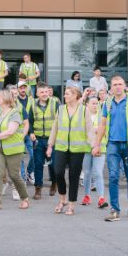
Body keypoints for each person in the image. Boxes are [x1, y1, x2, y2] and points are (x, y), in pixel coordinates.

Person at [92, 75, 128, 222]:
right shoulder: (107, 102)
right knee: (113, 176)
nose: (118, 87)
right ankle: (114, 210)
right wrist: (97, 144)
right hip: (112, 144)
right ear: (111, 87)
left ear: (125, 86)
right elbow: (102, 125)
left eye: (120, 84)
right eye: (115, 84)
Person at [47, 87, 94, 216]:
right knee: (58, 172)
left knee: (74, 176)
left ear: (75, 95)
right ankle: (62, 199)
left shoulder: (84, 110)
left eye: (67, 94)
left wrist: (94, 146)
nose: (64, 96)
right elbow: (55, 128)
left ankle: (71, 204)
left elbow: (89, 129)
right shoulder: (61, 109)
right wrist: (50, 145)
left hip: (78, 148)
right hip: (61, 147)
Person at [0, 89, 30, 210]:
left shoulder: (15, 113)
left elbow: (11, 131)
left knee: (14, 175)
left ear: (6, 99)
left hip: (13, 149)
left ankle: (24, 198)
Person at [31, 82, 58, 199]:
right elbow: (30, 121)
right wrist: (31, 132)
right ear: (37, 93)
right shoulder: (32, 104)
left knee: (53, 165)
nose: (44, 94)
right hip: (38, 140)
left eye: (46, 92)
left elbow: (59, 121)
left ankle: (54, 183)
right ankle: (38, 189)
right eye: (41, 92)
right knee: (38, 164)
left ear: (49, 92)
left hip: (51, 140)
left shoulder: (55, 103)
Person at [81, 96, 107, 209]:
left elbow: (105, 129)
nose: (95, 105)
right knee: (87, 173)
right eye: (93, 103)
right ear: (87, 104)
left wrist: (96, 129)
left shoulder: (102, 116)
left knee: (98, 172)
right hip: (86, 148)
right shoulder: (82, 116)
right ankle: (87, 196)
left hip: (100, 148)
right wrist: (93, 129)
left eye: (97, 103)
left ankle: (101, 198)